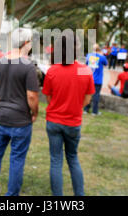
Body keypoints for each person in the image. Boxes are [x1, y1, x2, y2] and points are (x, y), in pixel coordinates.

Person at [0, 28, 39, 196]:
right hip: (20, 120)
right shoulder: (28, 66)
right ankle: (12, 195)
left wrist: (0, 103)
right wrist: (35, 112)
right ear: (26, 43)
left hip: (1, 117)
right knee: (17, 159)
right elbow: (32, 96)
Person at [42, 33, 95, 196]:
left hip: (54, 121)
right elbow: (87, 100)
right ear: (76, 48)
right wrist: (75, 106)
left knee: (56, 161)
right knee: (73, 158)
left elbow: (49, 98)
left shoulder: (52, 71)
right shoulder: (84, 71)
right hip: (73, 122)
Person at [84, 44, 108, 116]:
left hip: (89, 78)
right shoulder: (102, 57)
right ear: (99, 50)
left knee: (88, 94)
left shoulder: (88, 55)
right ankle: (94, 111)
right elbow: (106, 64)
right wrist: (102, 54)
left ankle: (86, 109)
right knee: (96, 95)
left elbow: (86, 64)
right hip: (98, 80)